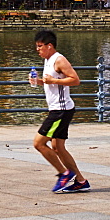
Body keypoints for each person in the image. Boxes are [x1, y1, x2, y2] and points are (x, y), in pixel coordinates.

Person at [30, 29, 91, 192]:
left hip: (61, 110)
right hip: (58, 109)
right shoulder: (48, 60)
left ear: (50, 46)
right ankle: (80, 181)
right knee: (57, 147)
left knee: (39, 143)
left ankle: (64, 173)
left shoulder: (59, 59)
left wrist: (51, 80)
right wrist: (41, 81)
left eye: (40, 46)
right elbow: (53, 81)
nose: (38, 49)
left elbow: (75, 80)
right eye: (36, 46)